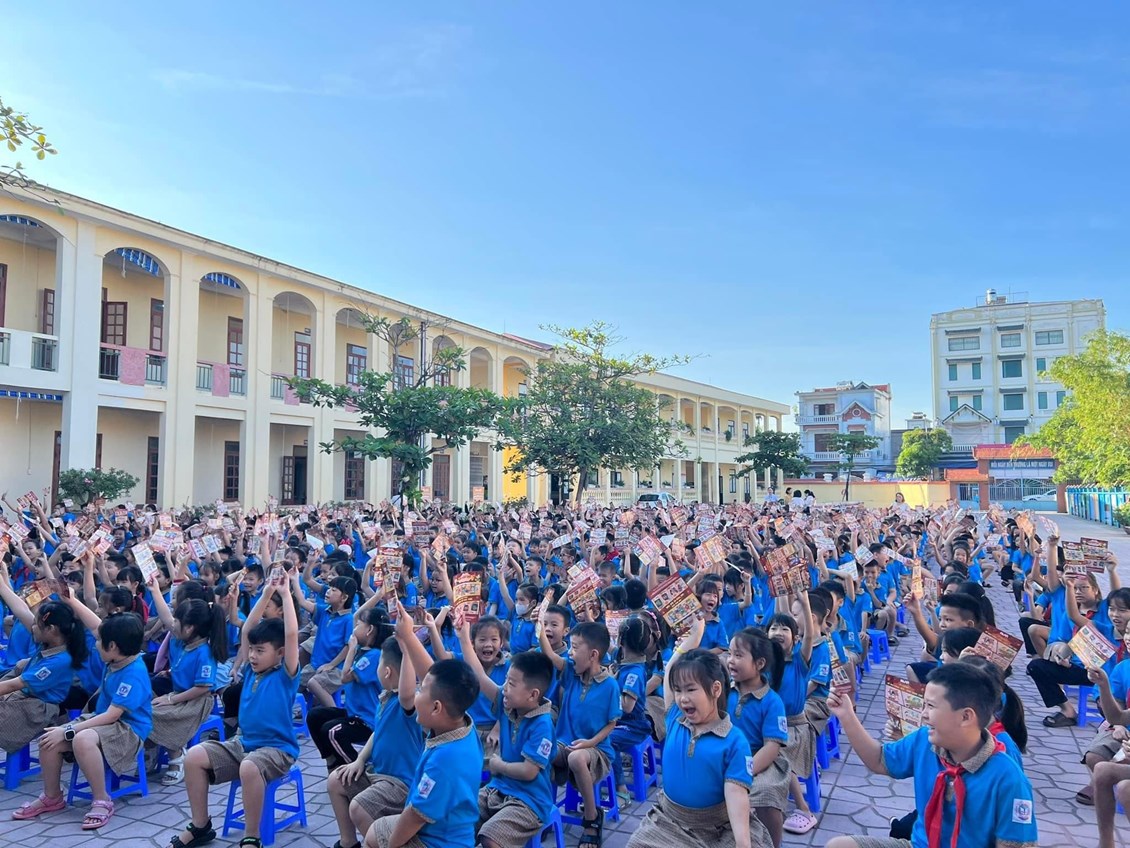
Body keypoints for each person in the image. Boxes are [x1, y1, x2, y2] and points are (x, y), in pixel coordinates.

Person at [825, 663, 1039, 848]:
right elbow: (879, 760)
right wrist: (846, 715)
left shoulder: (1008, 778)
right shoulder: (924, 741)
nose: (924, 714)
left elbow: (1015, 844)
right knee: (839, 845)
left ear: (966, 716)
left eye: (931, 706)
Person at [166, 568, 300, 848]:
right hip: (243, 743)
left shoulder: (285, 675)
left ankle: (252, 835)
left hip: (276, 750)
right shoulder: (251, 670)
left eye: (260, 651)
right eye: (251, 650)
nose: (252, 655)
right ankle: (200, 826)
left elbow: (290, 634)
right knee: (194, 757)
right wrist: (266, 593)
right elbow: (248, 629)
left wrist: (286, 595)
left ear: (279, 654)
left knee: (250, 767)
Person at [627, 620, 765, 848]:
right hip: (668, 821)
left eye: (691, 689)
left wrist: (743, 843)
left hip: (717, 828)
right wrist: (691, 640)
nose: (682, 698)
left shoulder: (734, 741)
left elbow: (736, 794)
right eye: (678, 690)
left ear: (715, 689)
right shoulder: (675, 719)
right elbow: (670, 671)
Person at [12, 612, 152, 831]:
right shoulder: (118, 657)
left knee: (82, 739)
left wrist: (68, 729)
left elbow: (112, 716)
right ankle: (52, 796)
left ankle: (102, 800)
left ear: (113, 646)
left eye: (99, 641)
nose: (95, 644)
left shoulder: (133, 672)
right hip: (102, 721)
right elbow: (97, 627)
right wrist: (71, 602)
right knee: (49, 740)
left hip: (127, 728)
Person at [365, 604, 482, 848]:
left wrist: (391, 846)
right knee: (375, 831)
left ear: (436, 708)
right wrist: (408, 636)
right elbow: (431, 673)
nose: (415, 694)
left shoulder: (445, 759)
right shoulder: (459, 723)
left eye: (421, 690)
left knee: (376, 836)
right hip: (446, 827)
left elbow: (415, 816)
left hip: (438, 841)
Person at [456, 612, 556, 848]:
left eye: (511, 683)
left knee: (490, 837)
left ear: (532, 694)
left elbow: (529, 771)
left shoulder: (542, 724)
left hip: (528, 801)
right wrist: (463, 638)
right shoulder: (508, 702)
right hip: (497, 789)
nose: (504, 688)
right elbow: (479, 676)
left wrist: (498, 765)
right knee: (458, 817)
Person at [324, 636, 424, 848]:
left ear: (386, 671)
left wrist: (407, 650)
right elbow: (378, 732)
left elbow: (406, 694)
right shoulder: (385, 698)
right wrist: (360, 760)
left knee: (360, 807)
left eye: (378, 663)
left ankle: (384, 843)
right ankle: (348, 843)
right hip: (378, 774)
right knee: (335, 780)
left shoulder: (409, 703)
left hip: (401, 784)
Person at [539, 613, 622, 846]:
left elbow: (612, 723)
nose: (570, 653)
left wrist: (589, 743)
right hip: (565, 742)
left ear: (593, 655)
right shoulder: (571, 673)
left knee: (576, 758)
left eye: (575, 648)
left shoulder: (610, 685)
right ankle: (541, 810)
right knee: (540, 751)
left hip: (596, 749)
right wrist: (539, 626)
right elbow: (550, 654)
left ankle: (592, 818)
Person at [147, 575, 228, 786]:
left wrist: (171, 700)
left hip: (196, 701)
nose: (172, 624)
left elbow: (202, 688)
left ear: (190, 628)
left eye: (177, 621)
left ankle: (177, 757)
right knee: (142, 705)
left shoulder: (204, 652)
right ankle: (153, 746)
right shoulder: (180, 641)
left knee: (159, 713)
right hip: (179, 694)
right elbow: (166, 619)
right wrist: (170, 673)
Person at [307, 603, 393, 772]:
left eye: (359, 625)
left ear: (369, 630)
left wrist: (351, 648)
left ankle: (356, 771)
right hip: (353, 713)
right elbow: (355, 616)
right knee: (315, 716)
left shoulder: (374, 655)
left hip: (367, 720)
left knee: (332, 732)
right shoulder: (363, 650)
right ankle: (333, 762)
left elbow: (344, 677)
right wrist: (376, 597)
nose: (354, 629)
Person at [0, 595, 89, 755]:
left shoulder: (59, 661)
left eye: (36, 624)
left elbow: (14, 685)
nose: (32, 627)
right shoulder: (48, 643)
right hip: (24, 699)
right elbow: (21, 610)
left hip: (38, 709)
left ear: (51, 629)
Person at [728, 626, 790, 848]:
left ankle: (774, 843)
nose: (730, 660)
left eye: (738, 655)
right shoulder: (724, 690)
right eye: (729, 653)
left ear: (760, 663)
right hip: (728, 755)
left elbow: (772, 747)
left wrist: (745, 770)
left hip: (761, 761)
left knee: (766, 794)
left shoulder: (772, 701)